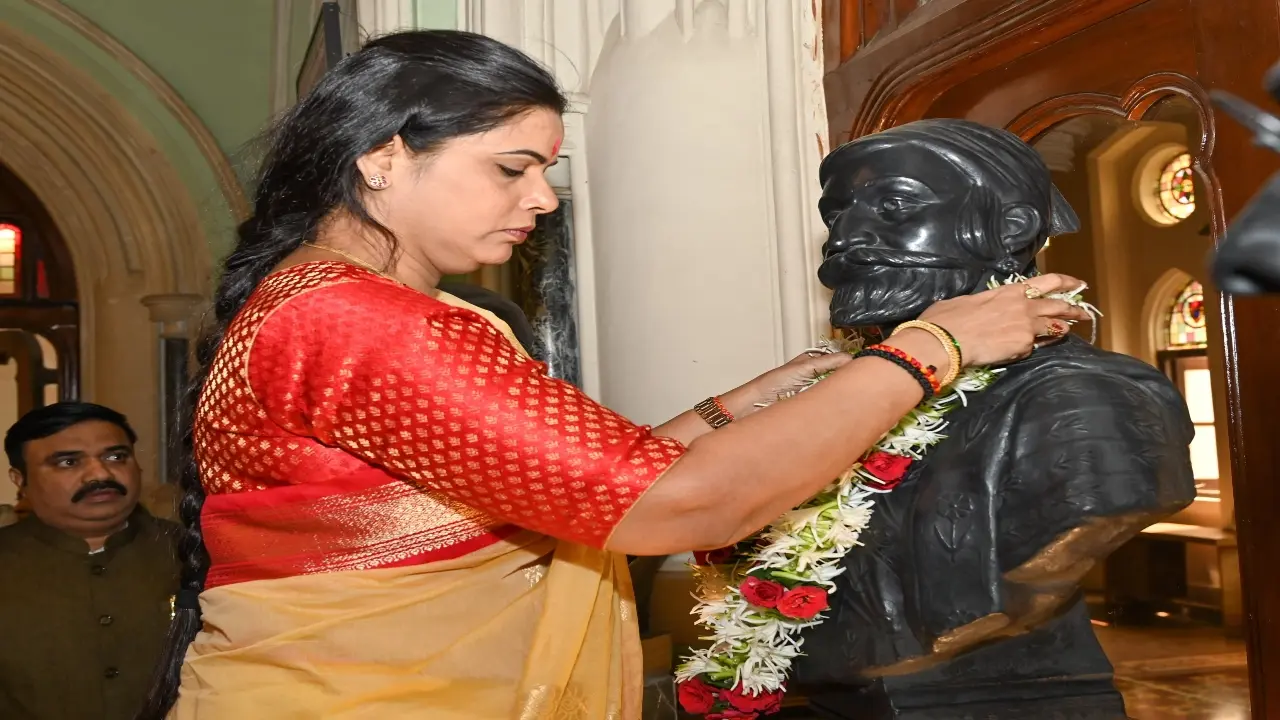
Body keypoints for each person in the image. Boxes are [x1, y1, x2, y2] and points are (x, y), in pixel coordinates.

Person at [137, 30, 1089, 720]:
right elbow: (677, 509)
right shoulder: (359, 320)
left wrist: (741, 404)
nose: (540, 199)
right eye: (511, 168)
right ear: (383, 158)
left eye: (545, 169)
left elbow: (578, 483)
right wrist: (931, 350)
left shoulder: (323, 301)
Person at [0, 402, 180, 720]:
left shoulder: (196, 554)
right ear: (20, 479)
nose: (100, 474)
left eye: (116, 457)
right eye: (68, 462)